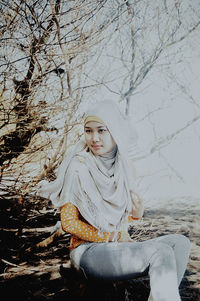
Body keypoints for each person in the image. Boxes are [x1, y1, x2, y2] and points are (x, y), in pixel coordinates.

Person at [39, 100, 191, 301]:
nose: (94, 138)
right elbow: (68, 223)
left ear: (115, 131)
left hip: (115, 247)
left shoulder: (123, 168)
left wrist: (136, 214)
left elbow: (114, 218)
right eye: (88, 131)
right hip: (87, 251)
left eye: (102, 130)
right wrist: (111, 237)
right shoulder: (78, 166)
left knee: (180, 243)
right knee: (161, 252)